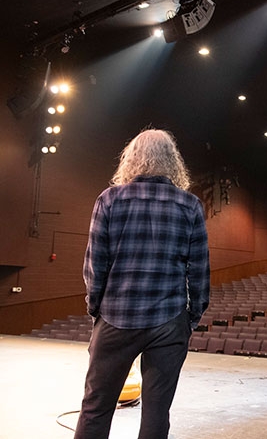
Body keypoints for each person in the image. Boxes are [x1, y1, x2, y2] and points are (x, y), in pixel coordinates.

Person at [74, 128, 210, 439]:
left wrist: (96, 309)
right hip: (168, 321)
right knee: (157, 411)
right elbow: (199, 271)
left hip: (115, 317)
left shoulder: (109, 200)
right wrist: (190, 319)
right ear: (173, 162)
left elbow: (96, 264)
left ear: (131, 159)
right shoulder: (189, 205)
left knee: (95, 407)